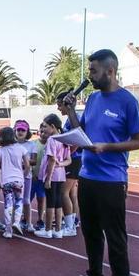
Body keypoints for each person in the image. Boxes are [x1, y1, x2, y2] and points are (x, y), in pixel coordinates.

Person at [59, 49, 139, 276]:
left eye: (94, 71)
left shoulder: (127, 101)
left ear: (110, 71)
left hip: (112, 179)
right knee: (91, 231)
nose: (90, 76)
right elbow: (81, 131)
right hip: (88, 175)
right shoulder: (94, 99)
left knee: (115, 235)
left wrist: (106, 147)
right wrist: (71, 110)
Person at [35, 114, 71, 239]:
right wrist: (60, 164)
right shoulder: (63, 139)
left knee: (50, 202)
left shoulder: (52, 140)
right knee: (58, 202)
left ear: (53, 126)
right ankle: (58, 230)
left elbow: (51, 160)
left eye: (45, 126)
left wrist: (48, 178)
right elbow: (68, 160)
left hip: (52, 176)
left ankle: (48, 230)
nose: (43, 129)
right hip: (61, 175)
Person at [0, 126, 29, 239]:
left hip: (6, 181)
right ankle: (17, 222)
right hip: (18, 179)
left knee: (8, 204)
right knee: (19, 201)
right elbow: (27, 165)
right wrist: (23, 176)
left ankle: (8, 230)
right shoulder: (21, 148)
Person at [59, 90, 82, 237]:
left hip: (73, 160)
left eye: (59, 105)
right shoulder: (69, 119)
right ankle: (74, 220)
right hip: (75, 159)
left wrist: (66, 155)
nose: (58, 108)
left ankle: (69, 226)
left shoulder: (74, 119)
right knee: (73, 193)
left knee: (63, 192)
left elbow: (78, 140)